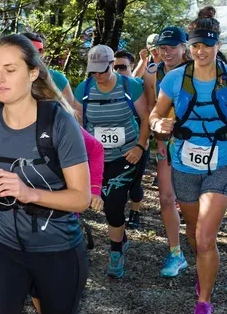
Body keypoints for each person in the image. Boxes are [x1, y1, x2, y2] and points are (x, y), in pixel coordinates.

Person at [0, 34, 90, 314]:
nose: (0, 78)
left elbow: (81, 199)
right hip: (3, 247)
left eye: (10, 70)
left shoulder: (59, 123)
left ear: (32, 72)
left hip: (58, 250)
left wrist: (29, 193)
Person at [149, 7, 227, 314]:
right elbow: (155, 114)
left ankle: (204, 304)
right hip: (184, 163)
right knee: (195, 235)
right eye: (195, 45)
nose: (200, 51)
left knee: (206, 237)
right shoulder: (174, 78)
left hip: (223, 162)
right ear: (190, 45)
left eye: (206, 46)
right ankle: (201, 268)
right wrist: (158, 124)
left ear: (216, 45)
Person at [75, 44, 151, 278]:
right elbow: (76, 124)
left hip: (126, 154)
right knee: (108, 201)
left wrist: (140, 146)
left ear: (112, 64)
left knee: (114, 203)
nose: (98, 75)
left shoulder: (130, 86)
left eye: (102, 69)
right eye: (93, 71)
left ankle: (116, 253)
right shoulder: (83, 89)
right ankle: (121, 237)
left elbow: (146, 117)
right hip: (97, 159)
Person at [143, 26, 190, 278]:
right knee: (166, 198)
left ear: (185, 47)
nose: (167, 51)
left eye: (173, 46)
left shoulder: (201, 71)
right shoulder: (154, 73)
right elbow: (152, 110)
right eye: (163, 47)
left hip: (199, 143)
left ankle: (201, 243)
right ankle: (175, 252)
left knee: (192, 199)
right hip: (167, 142)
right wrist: (157, 133)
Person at [113, 50, 152, 229]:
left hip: (138, 144)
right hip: (114, 146)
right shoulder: (104, 88)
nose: (118, 71)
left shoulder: (139, 85)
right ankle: (116, 215)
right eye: (114, 67)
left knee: (135, 184)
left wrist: (143, 143)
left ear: (130, 67)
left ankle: (134, 212)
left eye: (123, 67)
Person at [22, 32, 79, 112]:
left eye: (38, 51)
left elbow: (69, 109)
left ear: (42, 52)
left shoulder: (58, 79)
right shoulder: (9, 79)